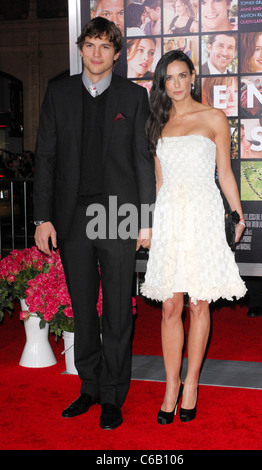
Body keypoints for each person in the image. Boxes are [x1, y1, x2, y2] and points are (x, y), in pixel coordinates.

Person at [33, 17, 155, 430]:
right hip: (71, 217)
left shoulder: (133, 97)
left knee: (118, 310)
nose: (97, 53)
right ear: (81, 48)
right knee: (84, 309)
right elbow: (45, 158)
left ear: (117, 54)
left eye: (106, 46)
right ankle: (88, 386)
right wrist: (43, 218)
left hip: (119, 215)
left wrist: (145, 220)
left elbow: (142, 160)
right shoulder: (58, 93)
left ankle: (112, 395)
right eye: (90, 45)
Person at [141, 50, 246, 424]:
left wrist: (237, 212)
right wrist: (149, 225)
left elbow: (225, 173)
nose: (177, 84)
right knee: (170, 305)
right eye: (169, 79)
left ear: (192, 77)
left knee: (199, 304)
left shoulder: (214, 117)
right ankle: (171, 385)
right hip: (170, 216)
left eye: (182, 75)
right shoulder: (157, 122)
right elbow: (157, 182)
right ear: (162, 84)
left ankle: (192, 384)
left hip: (203, 213)